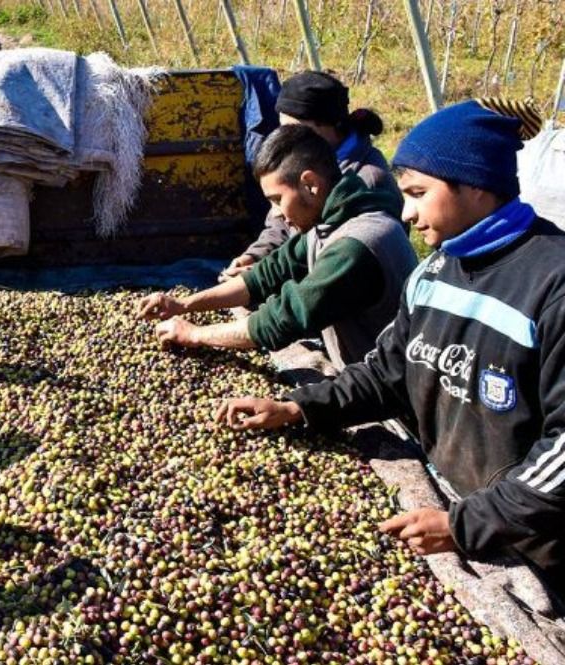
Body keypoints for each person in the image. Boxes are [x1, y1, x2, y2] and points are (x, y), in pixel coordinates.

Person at [215, 101, 565, 593]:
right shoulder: (436, 273)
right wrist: (296, 407)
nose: (408, 212)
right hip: (455, 502)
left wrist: (466, 523)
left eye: (419, 193)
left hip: (540, 546)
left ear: (477, 186)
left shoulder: (552, 285)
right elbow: (387, 371)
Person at [137, 124, 415, 369]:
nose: (277, 214)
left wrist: (194, 334)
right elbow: (266, 274)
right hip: (366, 382)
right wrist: (183, 304)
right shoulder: (332, 221)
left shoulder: (355, 245)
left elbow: (279, 322)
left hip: (396, 408)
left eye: (276, 199)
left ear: (310, 185)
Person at [223, 71, 400, 281]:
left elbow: (340, 264)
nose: (286, 138)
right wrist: (255, 256)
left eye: (294, 130)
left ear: (327, 127)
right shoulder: (296, 162)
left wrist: (263, 279)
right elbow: (281, 224)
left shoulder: (368, 181)